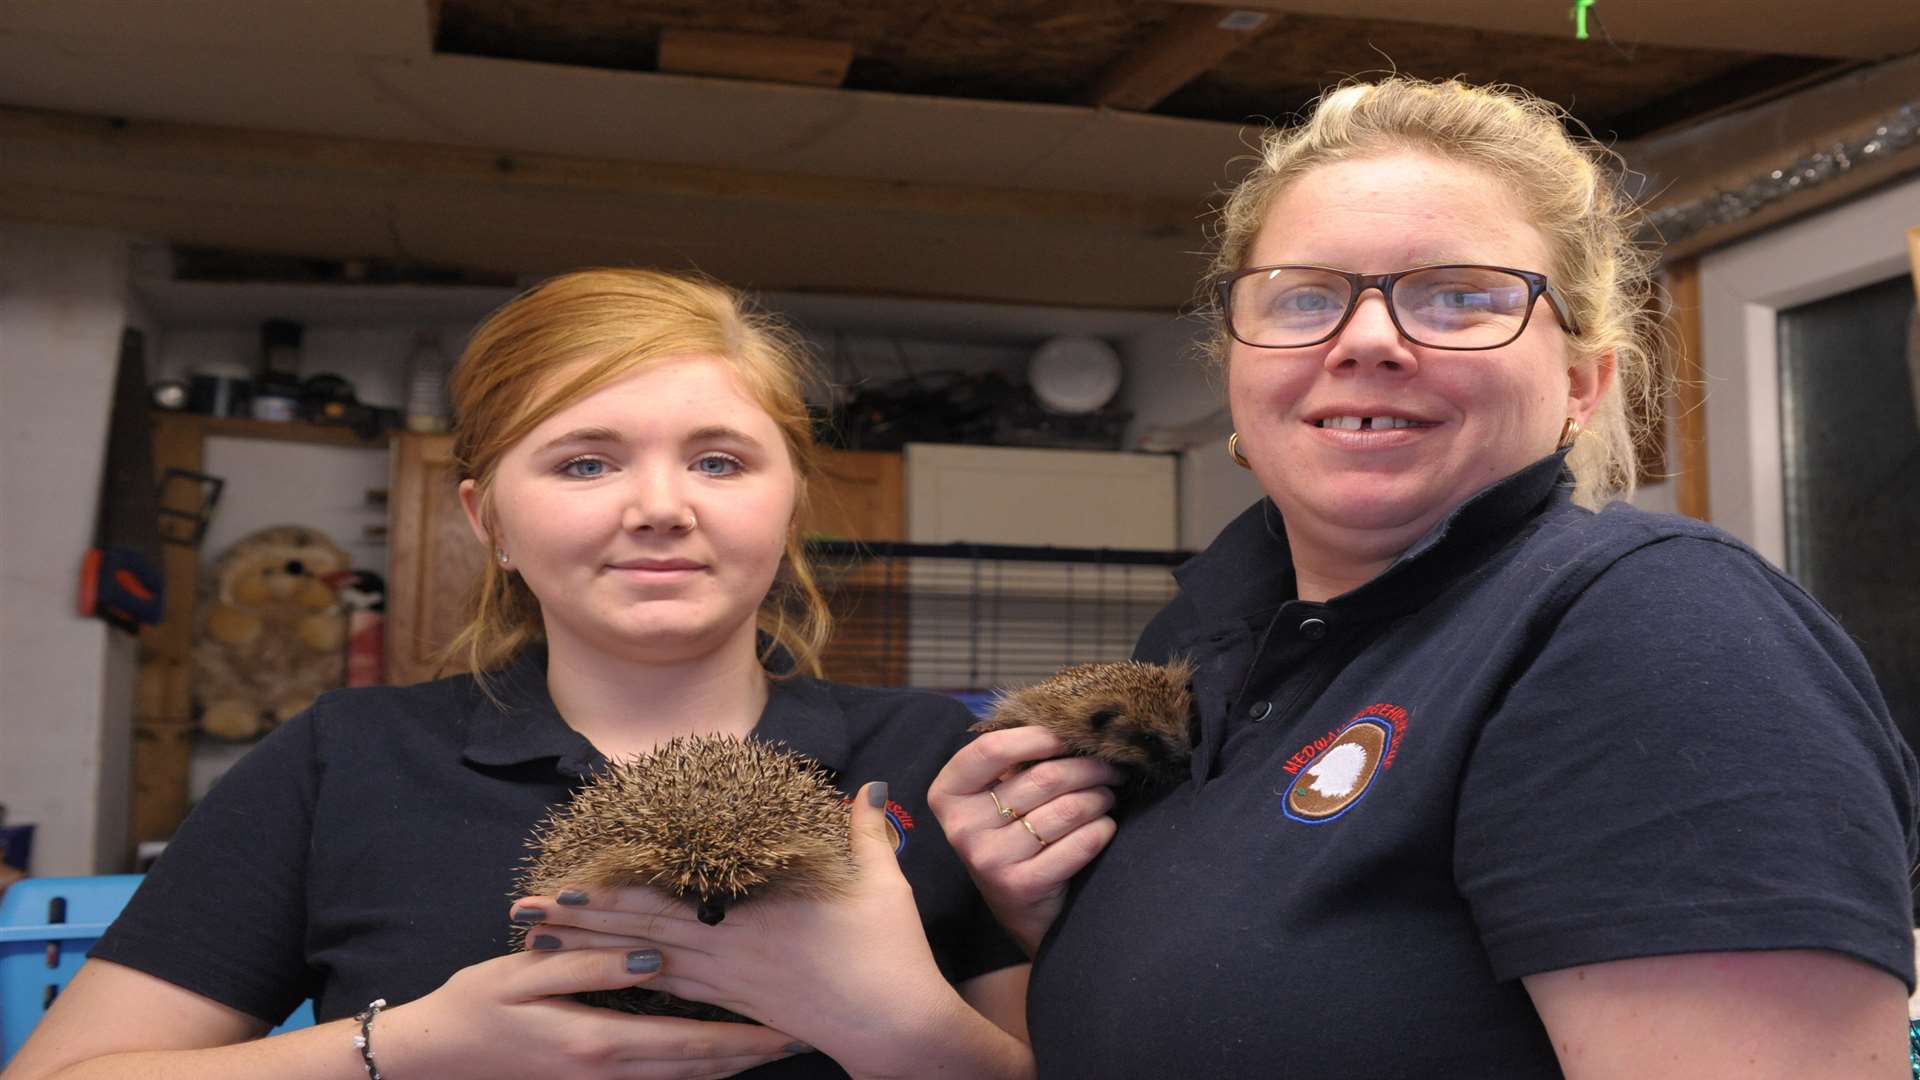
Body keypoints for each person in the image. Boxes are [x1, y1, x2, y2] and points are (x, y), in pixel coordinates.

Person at [931, 77, 1920, 1078]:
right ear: (1236, 364)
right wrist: (1053, 903)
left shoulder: (1653, 629)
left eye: (1459, 297)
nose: (1365, 340)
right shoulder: (1204, 656)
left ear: (1583, 382)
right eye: (1307, 295)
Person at [12, 269, 1033, 1080]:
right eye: (585, 462)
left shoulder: (934, 762)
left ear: (790, 504)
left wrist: (900, 1029)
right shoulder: (344, 760)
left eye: (719, 460)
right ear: (486, 519)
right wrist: (408, 1049)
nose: (661, 506)